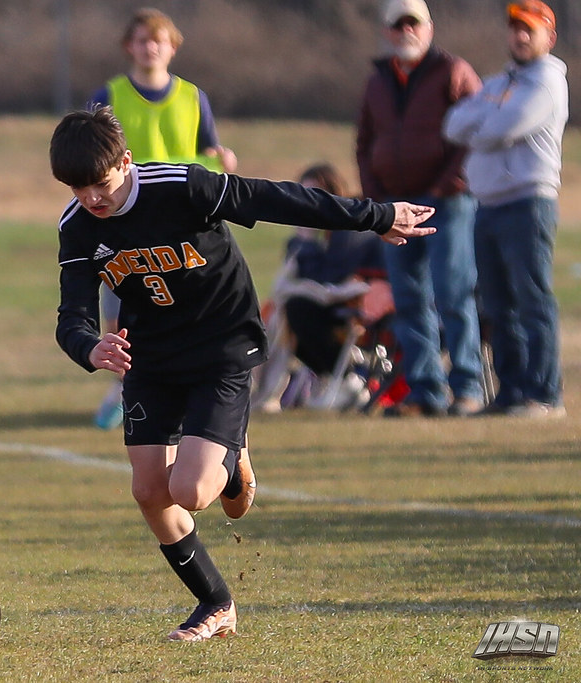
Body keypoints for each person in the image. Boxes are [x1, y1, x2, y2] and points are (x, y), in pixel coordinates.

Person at [49, 107, 435, 642]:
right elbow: (73, 316)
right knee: (148, 492)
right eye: (77, 188)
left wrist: (375, 215)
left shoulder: (183, 187)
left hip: (222, 344)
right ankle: (215, 603)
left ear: (127, 161)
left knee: (192, 492)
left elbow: (278, 198)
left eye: (101, 182)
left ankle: (233, 455)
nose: (92, 197)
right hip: (153, 358)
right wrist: (90, 348)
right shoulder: (77, 226)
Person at [88, 7, 238, 430]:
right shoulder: (108, 95)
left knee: (186, 307)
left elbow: (209, 155)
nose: (150, 47)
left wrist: (222, 160)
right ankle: (123, 386)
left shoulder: (192, 97)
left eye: (158, 40)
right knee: (119, 309)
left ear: (172, 47)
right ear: (128, 46)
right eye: (141, 39)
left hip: (180, 223)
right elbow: (90, 155)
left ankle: (189, 388)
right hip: (124, 220)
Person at [355, 0, 486, 417]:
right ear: (387, 31)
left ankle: (467, 388)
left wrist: (448, 184)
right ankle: (426, 390)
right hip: (396, 207)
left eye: (414, 24)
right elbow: (365, 142)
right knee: (408, 299)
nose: (406, 31)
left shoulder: (453, 71)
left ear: (430, 28)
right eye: (398, 25)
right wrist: (376, 199)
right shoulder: (377, 81)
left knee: (453, 294)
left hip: (447, 202)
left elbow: (478, 130)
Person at [443, 0, 568, 418]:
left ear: (548, 37)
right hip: (489, 205)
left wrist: (486, 121)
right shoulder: (500, 82)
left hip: (527, 203)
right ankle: (511, 391)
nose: (519, 36)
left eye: (529, 29)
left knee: (532, 300)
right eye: (515, 28)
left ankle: (545, 395)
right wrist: (487, 118)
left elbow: (501, 129)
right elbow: (452, 123)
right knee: (497, 306)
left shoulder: (547, 81)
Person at [252, 163, 390, 412]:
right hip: (337, 312)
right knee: (282, 310)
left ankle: (348, 380)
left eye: (314, 195)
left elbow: (329, 279)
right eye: (301, 196)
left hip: (361, 313)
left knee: (297, 309)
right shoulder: (315, 237)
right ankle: (329, 383)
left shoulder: (349, 231)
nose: (307, 204)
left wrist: (304, 243)